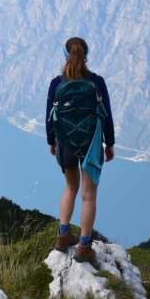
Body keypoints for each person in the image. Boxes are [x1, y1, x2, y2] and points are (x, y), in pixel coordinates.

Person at [46, 36, 115, 262]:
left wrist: (52, 142)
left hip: (65, 143)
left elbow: (49, 117)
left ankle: (63, 235)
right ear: (86, 56)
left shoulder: (57, 83)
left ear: (65, 55)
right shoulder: (97, 82)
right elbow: (107, 116)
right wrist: (109, 144)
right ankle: (84, 247)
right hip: (91, 144)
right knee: (89, 196)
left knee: (70, 188)